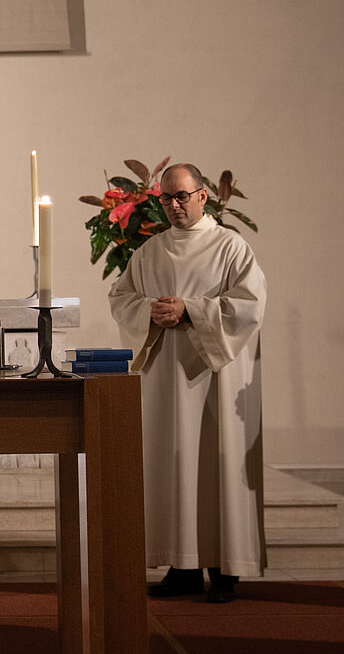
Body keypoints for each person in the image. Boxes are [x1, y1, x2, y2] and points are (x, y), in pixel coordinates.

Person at [108, 163, 267, 603]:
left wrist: (191, 310)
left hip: (215, 376)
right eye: (166, 198)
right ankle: (182, 567)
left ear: (202, 196)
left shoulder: (231, 247)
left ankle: (225, 570)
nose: (174, 205)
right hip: (166, 376)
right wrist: (149, 311)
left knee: (216, 462)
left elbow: (250, 305)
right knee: (172, 462)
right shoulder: (150, 252)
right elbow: (121, 298)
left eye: (181, 196)